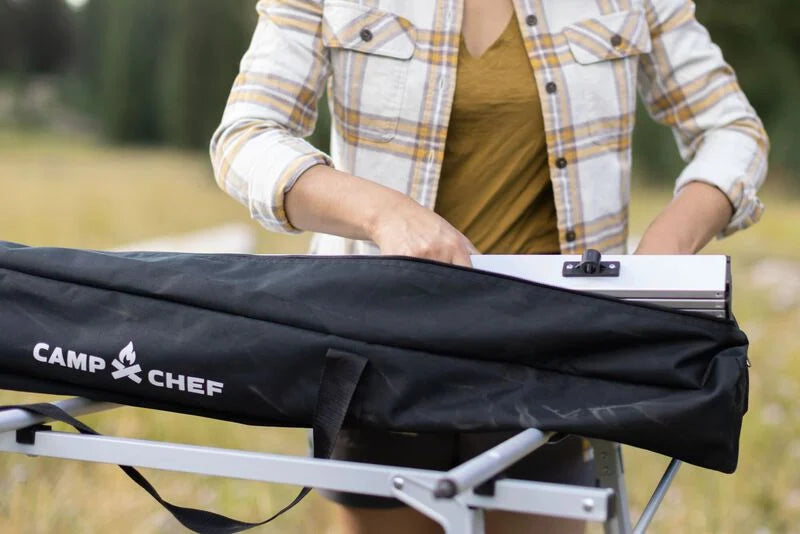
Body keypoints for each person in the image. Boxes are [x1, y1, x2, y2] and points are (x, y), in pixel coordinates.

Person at [210, 0, 768, 532]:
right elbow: (246, 137)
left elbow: (732, 130)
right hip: (377, 349)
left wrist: (664, 250)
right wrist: (385, 215)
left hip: (550, 361)